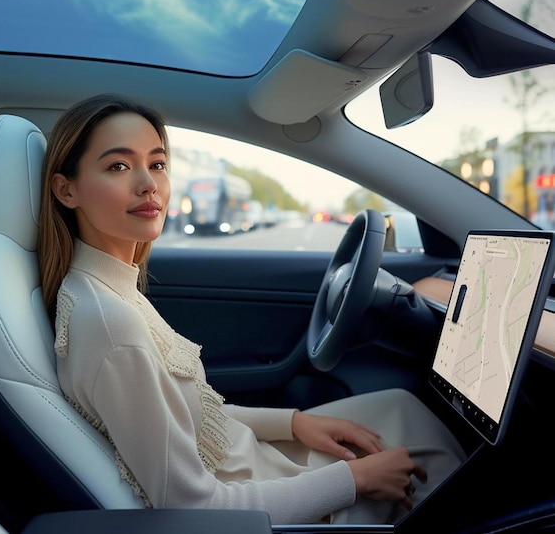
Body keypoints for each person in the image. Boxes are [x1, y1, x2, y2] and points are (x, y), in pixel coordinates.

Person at [38, 93, 466, 525]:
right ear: (66, 189)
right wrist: (354, 480)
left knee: (399, 406)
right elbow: (191, 508)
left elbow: (189, 414)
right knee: (437, 458)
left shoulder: (111, 289)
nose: (148, 183)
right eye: (118, 166)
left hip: (251, 459)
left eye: (158, 163)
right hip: (255, 498)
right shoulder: (111, 324)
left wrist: (294, 424)